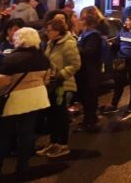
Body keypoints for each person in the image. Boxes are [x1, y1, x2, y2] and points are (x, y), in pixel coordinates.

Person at [0, 27, 51, 175]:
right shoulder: (43, 58)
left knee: (4, 135)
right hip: (36, 99)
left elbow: (2, 82)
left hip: (14, 101)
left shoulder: (11, 59)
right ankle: (23, 166)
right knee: (27, 133)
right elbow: (46, 79)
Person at [40, 18, 80, 158]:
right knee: (52, 115)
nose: (47, 32)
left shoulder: (68, 44)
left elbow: (75, 64)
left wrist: (60, 75)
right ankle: (53, 142)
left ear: (57, 31)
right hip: (51, 84)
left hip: (63, 85)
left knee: (61, 116)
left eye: (49, 30)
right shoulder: (51, 43)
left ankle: (63, 144)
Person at [74, 8, 106, 132]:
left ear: (85, 22)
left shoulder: (93, 35)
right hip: (85, 71)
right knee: (86, 96)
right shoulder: (85, 34)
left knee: (90, 97)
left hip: (91, 71)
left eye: (80, 20)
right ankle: (89, 119)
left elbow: (90, 52)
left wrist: (76, 47)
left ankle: (89, 121)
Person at [108, 15, 131, 112]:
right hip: (121, 59)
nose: (127, 22)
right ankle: (114, 104)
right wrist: (112, 45)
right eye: (127, 20)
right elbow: (117, 43)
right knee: (119, 82)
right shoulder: (123, 32)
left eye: (129, 20)